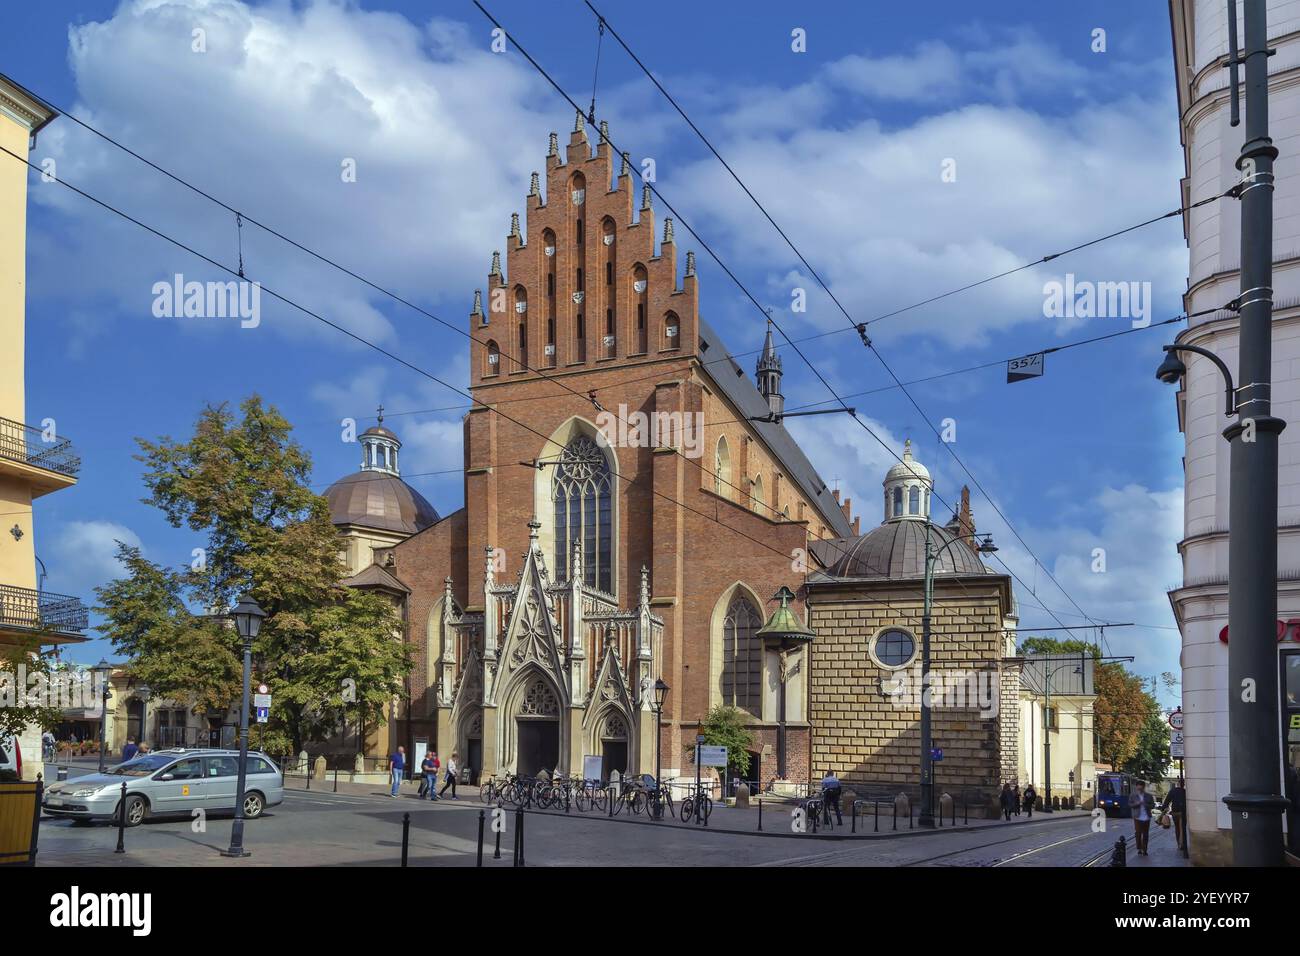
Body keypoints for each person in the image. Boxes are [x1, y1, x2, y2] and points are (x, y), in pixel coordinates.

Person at [1160, 777, 1187, 852]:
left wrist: (1163, 809)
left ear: (1177, 783)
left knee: (1177, 828)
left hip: (1175, 812)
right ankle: (1182, 843)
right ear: (1183, 784)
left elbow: (1167, 801)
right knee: (1182, 828)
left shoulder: (1173, 791)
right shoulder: (1185, 791)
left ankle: (1179, 843)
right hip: (1183, 812)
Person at [1129, 779, 1155, 855]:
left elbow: (1153, 805)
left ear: (1143, 787)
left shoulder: (1149, 796)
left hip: (1147, 817)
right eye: (1138, 788)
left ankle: (1145, 849)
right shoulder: (1133, 795)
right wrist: (1137, 803)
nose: (1140, 789)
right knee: (1138, 833)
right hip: (1137, 817)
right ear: (1136, 787)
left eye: (1141, 788)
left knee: (1146, 834)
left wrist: (1145, 804)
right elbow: (1130, 805)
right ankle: (1139, 848)